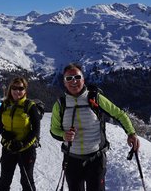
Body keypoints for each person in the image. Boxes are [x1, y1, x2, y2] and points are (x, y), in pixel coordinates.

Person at [50, 63, 140, 191]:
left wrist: (131, 133)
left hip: (95, 159)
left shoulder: (95, 98)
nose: (73, 81)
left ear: (83, 79)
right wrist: (64, 135)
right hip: (72, 160)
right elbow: (54, 130)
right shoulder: (60, 104)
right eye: (69, 78)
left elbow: (119, 114)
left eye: (77, 77)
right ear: (64, 83)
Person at [0, 77, 40, 191]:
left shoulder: (30, 106)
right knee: (4, 180)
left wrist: (22, 144)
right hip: (8, 147)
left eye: (20, 88)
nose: (17, 91)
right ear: (10, 89)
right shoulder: (5, 105)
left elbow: (36, 130)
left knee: (26, 181)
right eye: (14, 88)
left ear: (25, 90)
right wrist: (5, 134)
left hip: (26, 149)